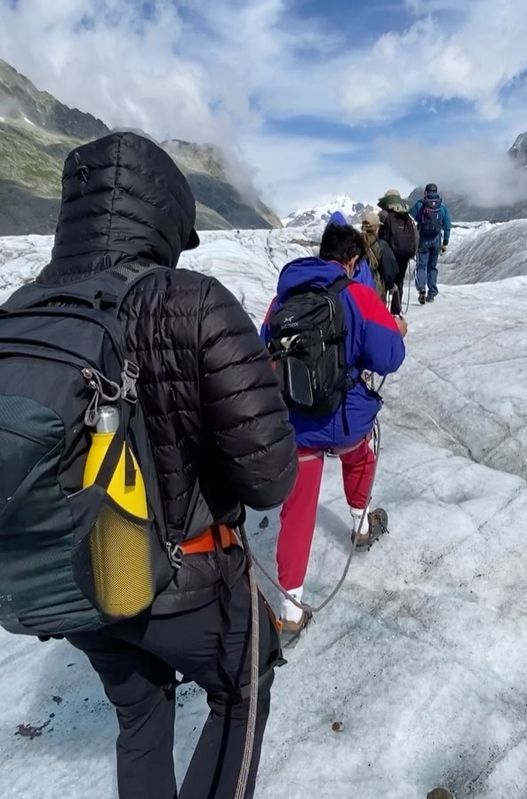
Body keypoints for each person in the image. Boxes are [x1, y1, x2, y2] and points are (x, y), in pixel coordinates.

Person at [34, 132, 297, 799]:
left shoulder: (21, 312)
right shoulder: (193, 301)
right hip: (179, 579)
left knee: (140, 712)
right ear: (167, 219)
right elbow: (270, 479)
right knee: (246, 682)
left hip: (66, 581)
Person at [261, 223, 407, 647]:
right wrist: (395, 330)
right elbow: (389, 359)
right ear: (353, 261)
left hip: (297, 425)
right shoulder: (358, 295)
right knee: (362, 451)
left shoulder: (281, 300)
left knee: (298, 507)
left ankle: (290, 611)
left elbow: (261, 352)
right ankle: (361, 526)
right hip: (345, 422)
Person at [410, 183, 451, 304]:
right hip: (436, 240)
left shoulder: (420, 204)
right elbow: (447, 226)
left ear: (426, 192)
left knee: (421, 266)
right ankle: (432, 293)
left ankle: (421, 289)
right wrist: (445, 243)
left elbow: (410, 218)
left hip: (423, 239)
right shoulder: (442, 207)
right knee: (432, 267)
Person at [377, 189, 417, 314]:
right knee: (399, 282)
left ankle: (382, 312)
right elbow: (415, 235)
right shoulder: (406, 215)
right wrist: (412, 251)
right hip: (404, 254)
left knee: (384, 282)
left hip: (388, 254)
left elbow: (378, 235)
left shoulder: (383, 215)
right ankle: (396, 311)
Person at [361, 210, 399, 303]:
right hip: (375, 288)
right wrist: (391, 285)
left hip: (357, 288)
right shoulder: (381, 245)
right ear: (376, 227)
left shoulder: (354, 242)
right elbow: (389, 269)